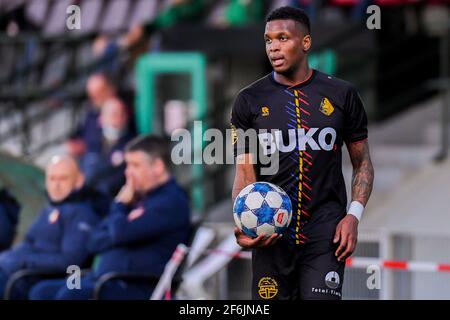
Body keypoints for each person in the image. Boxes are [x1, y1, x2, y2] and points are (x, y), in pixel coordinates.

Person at [231, 6, 374, 300]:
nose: (273, 47)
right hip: (270, 234)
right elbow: (245, 173)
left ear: (305, 43)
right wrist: (242, 222)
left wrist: (353, 217)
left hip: (325, 233)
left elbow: (362, 163)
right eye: (269, 40)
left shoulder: (342, 95)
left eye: (283, 38)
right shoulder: (248, 100)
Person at [29, 135, 191, 300]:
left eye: (135, 165)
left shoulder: (170, 202)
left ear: (157, 166)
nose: (128, 172)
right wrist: (119, 219)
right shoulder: (139, 199)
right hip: (102, 280)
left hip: (134, 286)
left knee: (71, 294)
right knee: (42, 291)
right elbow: (94, 241)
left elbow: (119, 232)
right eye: (127, 165)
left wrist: (120, 204)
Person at [0, 156, 99, 299]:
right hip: (20, 275)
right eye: (52, 179)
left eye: (63, 179)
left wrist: (24, 261)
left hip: (42, 279)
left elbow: (71, 262)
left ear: (79, 181)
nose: (56, 185)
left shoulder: (81, 214)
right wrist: (8, 258)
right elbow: (28, 242)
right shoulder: (49, 210)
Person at [81, 97, 135, 197]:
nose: (118, 119)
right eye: (113, 115)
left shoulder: (132, 144)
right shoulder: (93, 143)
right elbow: (88, 174)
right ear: (101, 119)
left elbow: (119, 179)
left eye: (122, 115)